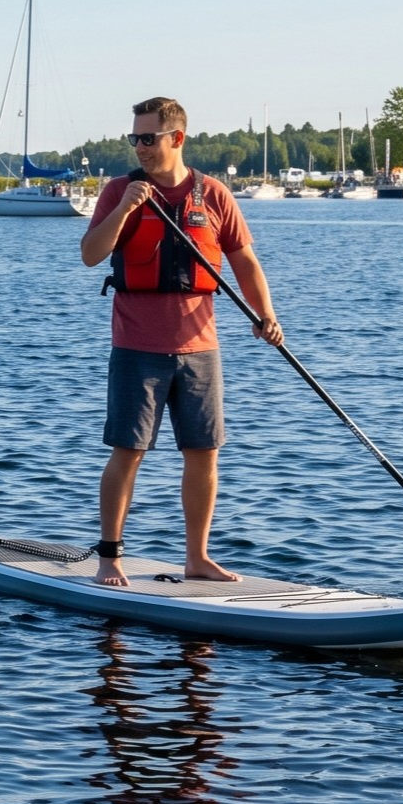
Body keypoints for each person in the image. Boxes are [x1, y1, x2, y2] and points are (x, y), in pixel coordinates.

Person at [78, 97, 282, 588]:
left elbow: (245, 263)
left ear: (177, 139)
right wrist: (125, 208)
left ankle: (198, 557)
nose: (140, 147)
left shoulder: (212, 195)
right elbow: (90, 255)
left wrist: (266, 314)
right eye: (135, 138)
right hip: (136, 347)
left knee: (204, 451)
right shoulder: (118, 191)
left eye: (148, 138)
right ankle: (110, 556)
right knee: (128, 451)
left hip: (200, 348)